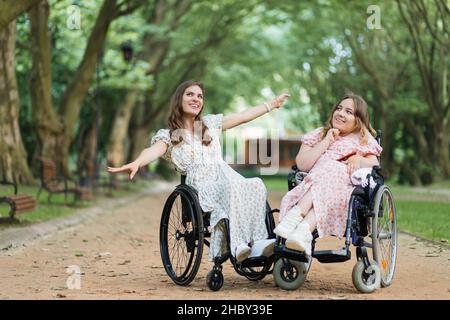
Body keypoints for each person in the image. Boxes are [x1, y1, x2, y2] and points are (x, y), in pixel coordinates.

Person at [108, 80, 289, 262]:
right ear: (179, 99)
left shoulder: (209, 125)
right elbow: (153, 150)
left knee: (256, 185)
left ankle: (257, 242)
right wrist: (137, 162)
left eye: (200, 96)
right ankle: (238, 245)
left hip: (225, 174)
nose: (196, 99)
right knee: (231, 188)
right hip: (200, 185)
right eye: (190, 94)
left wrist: (271, 105)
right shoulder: (170, 134)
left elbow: (242, 116)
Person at [274, 94, 382, 255]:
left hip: (342, 191)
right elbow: (303, 165)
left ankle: (296, 216)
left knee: (332, 167)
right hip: (314, 183)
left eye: (348, 112)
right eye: (338, 108)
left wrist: (358, 158)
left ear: (358, 119)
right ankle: (303, 232)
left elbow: (374, 164)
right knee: (327, 168)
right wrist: (326, 142)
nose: (340, 113)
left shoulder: (362, 138)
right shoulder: (319, 134)